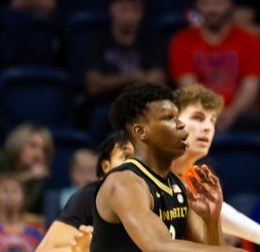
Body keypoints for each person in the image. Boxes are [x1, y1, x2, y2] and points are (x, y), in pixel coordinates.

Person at [91, 83, 240, 251]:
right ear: (141, 131)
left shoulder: (180, 186)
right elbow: (159, 246)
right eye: (169, 118)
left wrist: (211, 221)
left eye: (177, 117)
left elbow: (210, 249)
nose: (180, 124)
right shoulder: (124, 183)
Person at [171, 84, 260, 247]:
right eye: (198, 118)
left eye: (212, 120)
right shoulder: (148, 171)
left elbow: (227, 216)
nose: (208, 127)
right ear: (173, 121)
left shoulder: (192, 176)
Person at [169, 0, 260, 132]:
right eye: (206, 3)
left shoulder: (251, 40)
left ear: (229, 4)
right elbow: (188, 88)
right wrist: (210, 115)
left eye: (218, 2)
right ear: (197, 5)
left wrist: (232, 113)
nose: (212, 9)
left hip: (242, 114)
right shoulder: (181, 41)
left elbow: (251, 87)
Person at [84, 0, 165, 141]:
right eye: (123, 9)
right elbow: (94, 85)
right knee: (99, 115)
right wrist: (135, 77)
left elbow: (158, 81)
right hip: (107, 104)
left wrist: (110, 81)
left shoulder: (150, 41)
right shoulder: (97, 41)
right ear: (112, 10)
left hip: (143, 105)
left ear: (141, 13)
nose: (128, 15)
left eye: (133, 10)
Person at [36, 132, 133, 252]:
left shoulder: (159, 197)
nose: (134, 164)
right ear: (106, 167)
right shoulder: (89, 196)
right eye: (126, 157)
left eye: (139, 158)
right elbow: (45, 249)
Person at [0, 174, 45, 252]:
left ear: (24, 197)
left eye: (15, 191)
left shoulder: (38, 232)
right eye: (5, 190)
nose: (10, 195)